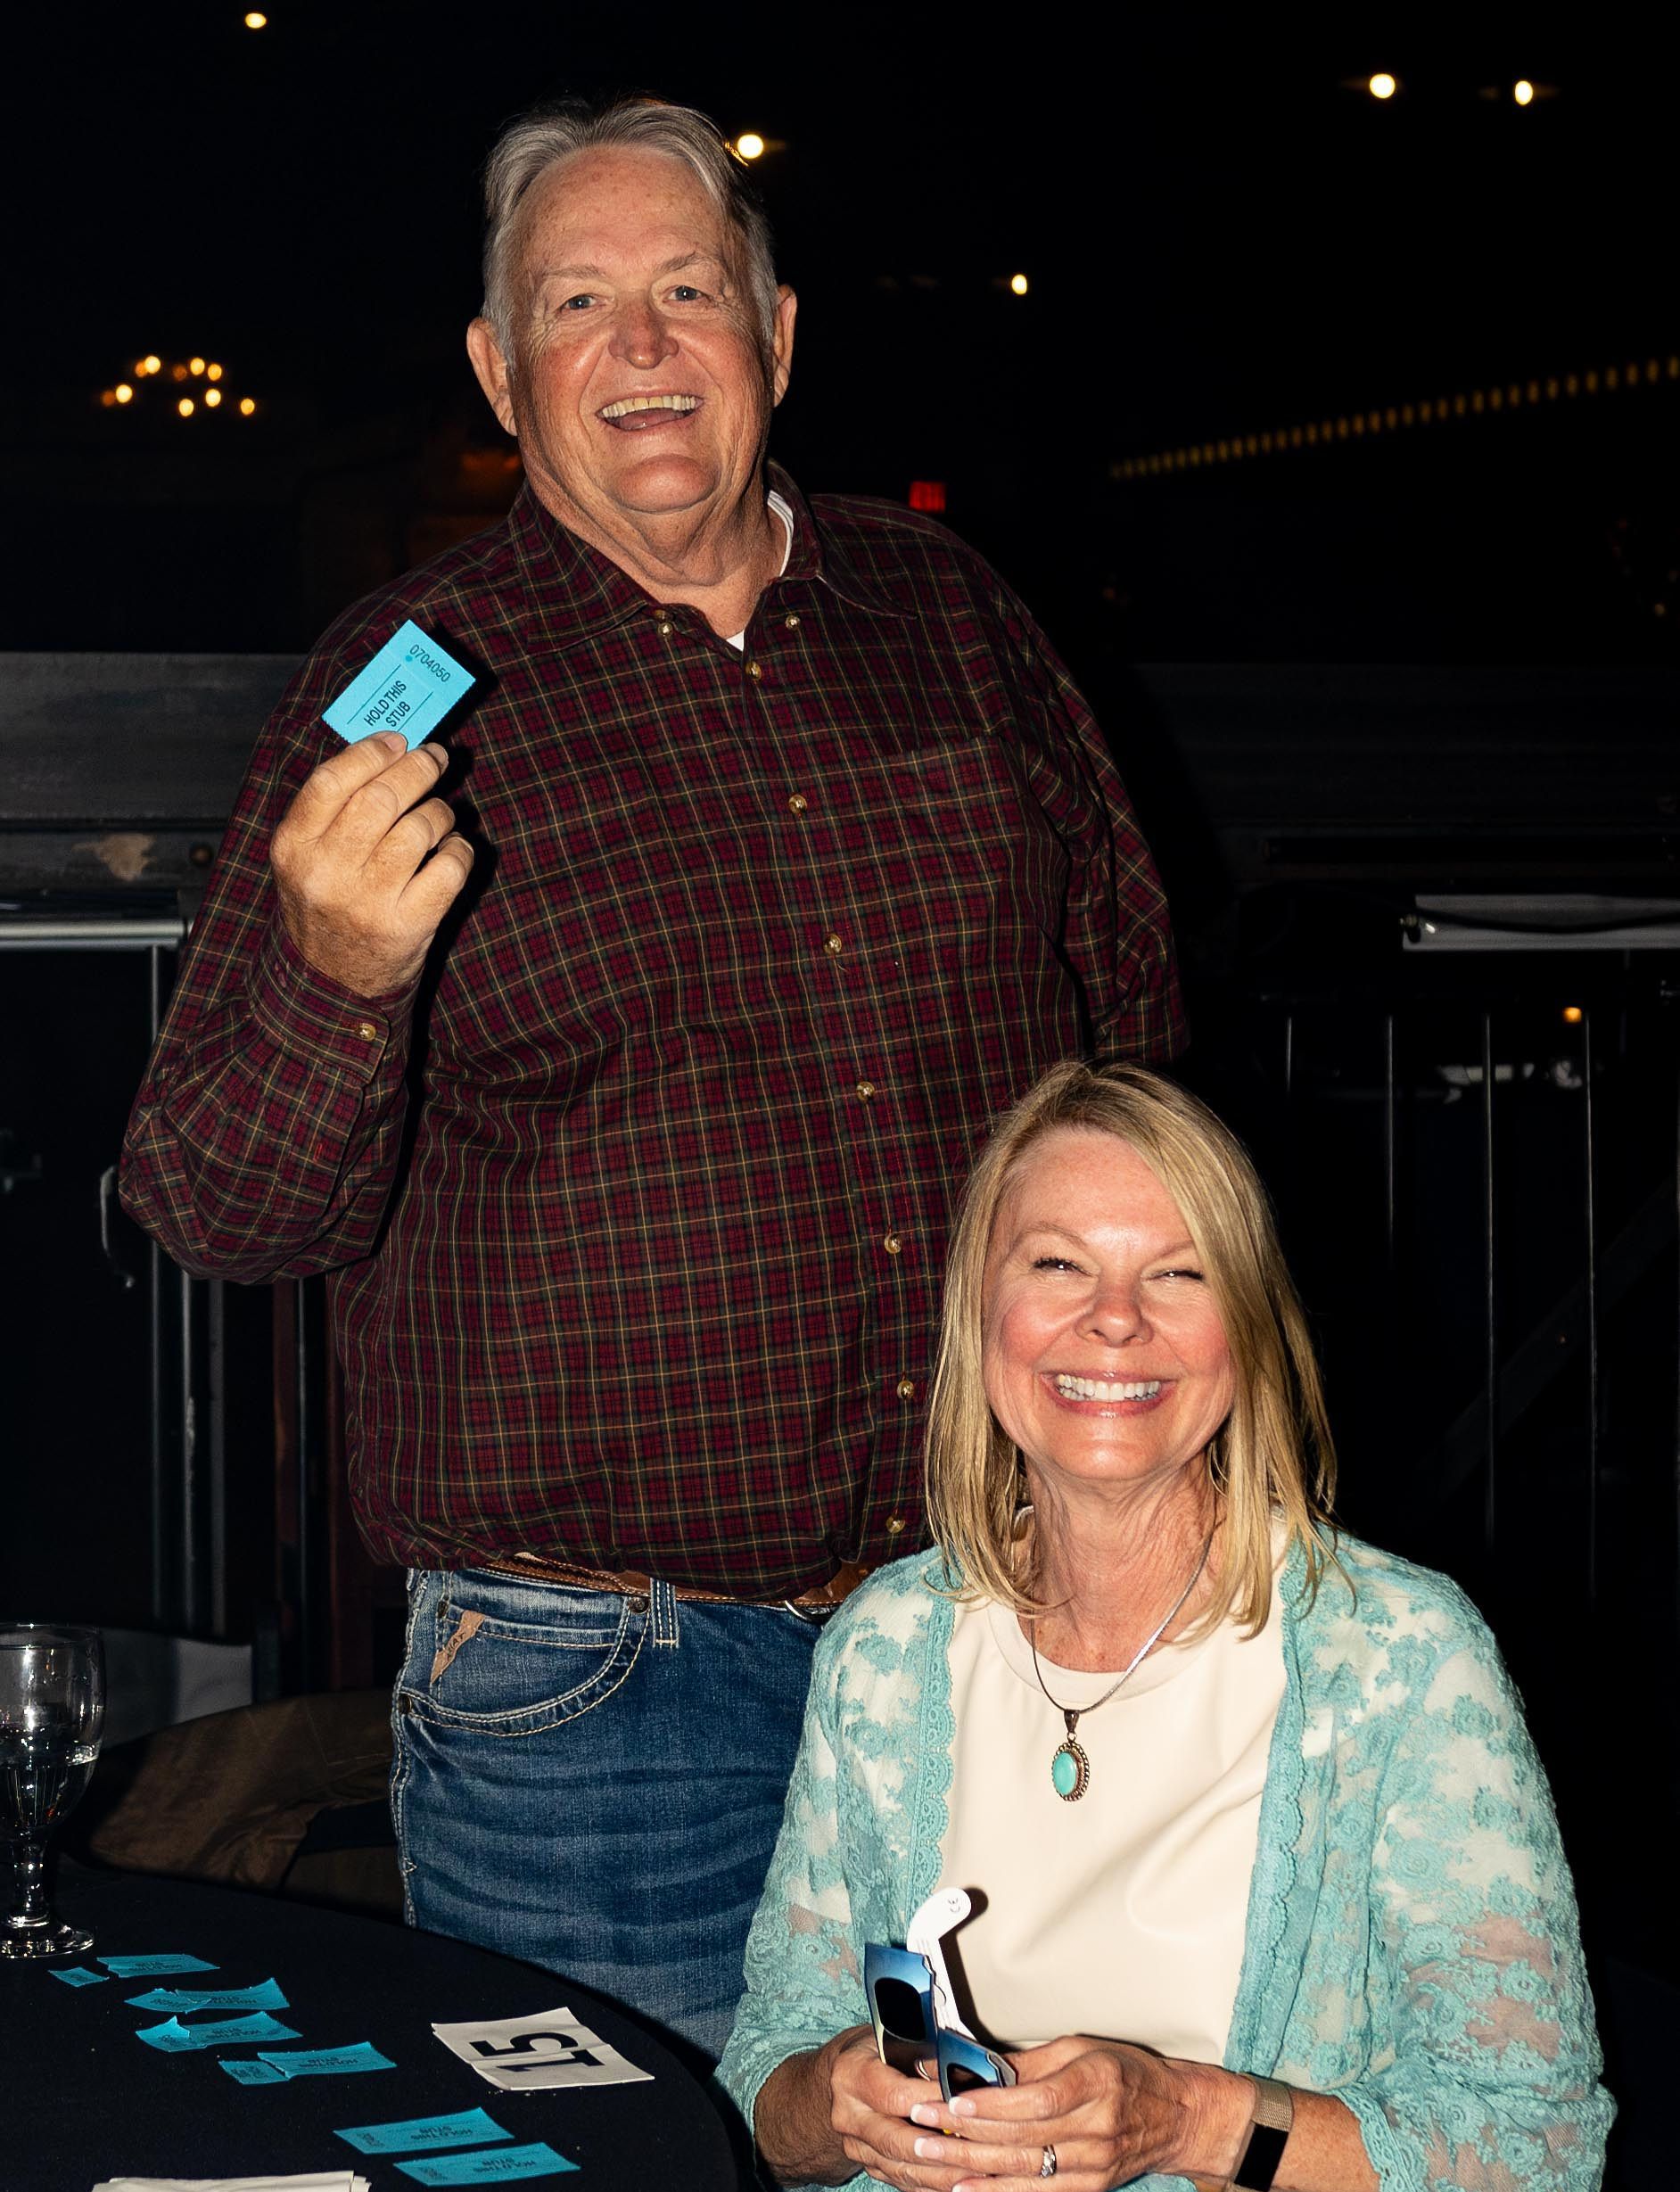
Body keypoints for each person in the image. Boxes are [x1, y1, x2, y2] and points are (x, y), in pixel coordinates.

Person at [119, 100, 1183, 2062]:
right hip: (594, 1698)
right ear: (498, 370)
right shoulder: (407, 681)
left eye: (687, 292)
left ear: (776, 337)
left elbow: (1131, 1043)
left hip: (998, 1617)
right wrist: (345, 977)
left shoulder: (951, 617)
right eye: (578, 301)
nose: (639, 345)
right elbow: (217, 1207)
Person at [721, 1059, 1651, 2192]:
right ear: (983, 1316)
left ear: (1249, 1331)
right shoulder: (891, 1650)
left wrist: (1183, 2118)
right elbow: (764, 2080)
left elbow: (1522, 2154)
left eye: (1176, 1270)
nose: (1114, 1322)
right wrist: (833, 2104)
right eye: (1059, 1267)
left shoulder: (1396, 1663)